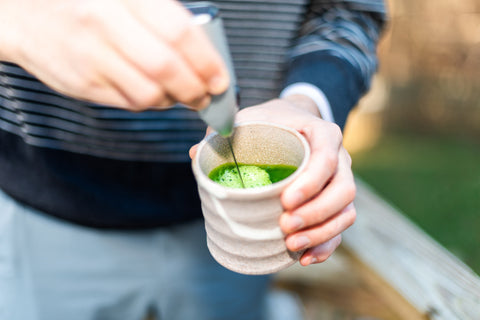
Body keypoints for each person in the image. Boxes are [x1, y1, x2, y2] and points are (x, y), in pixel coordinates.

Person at [0, 0, 386, 319]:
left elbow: (348, 13)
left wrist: (308, 104)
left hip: (242, 227)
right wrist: (19, 19)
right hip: (48, 207)